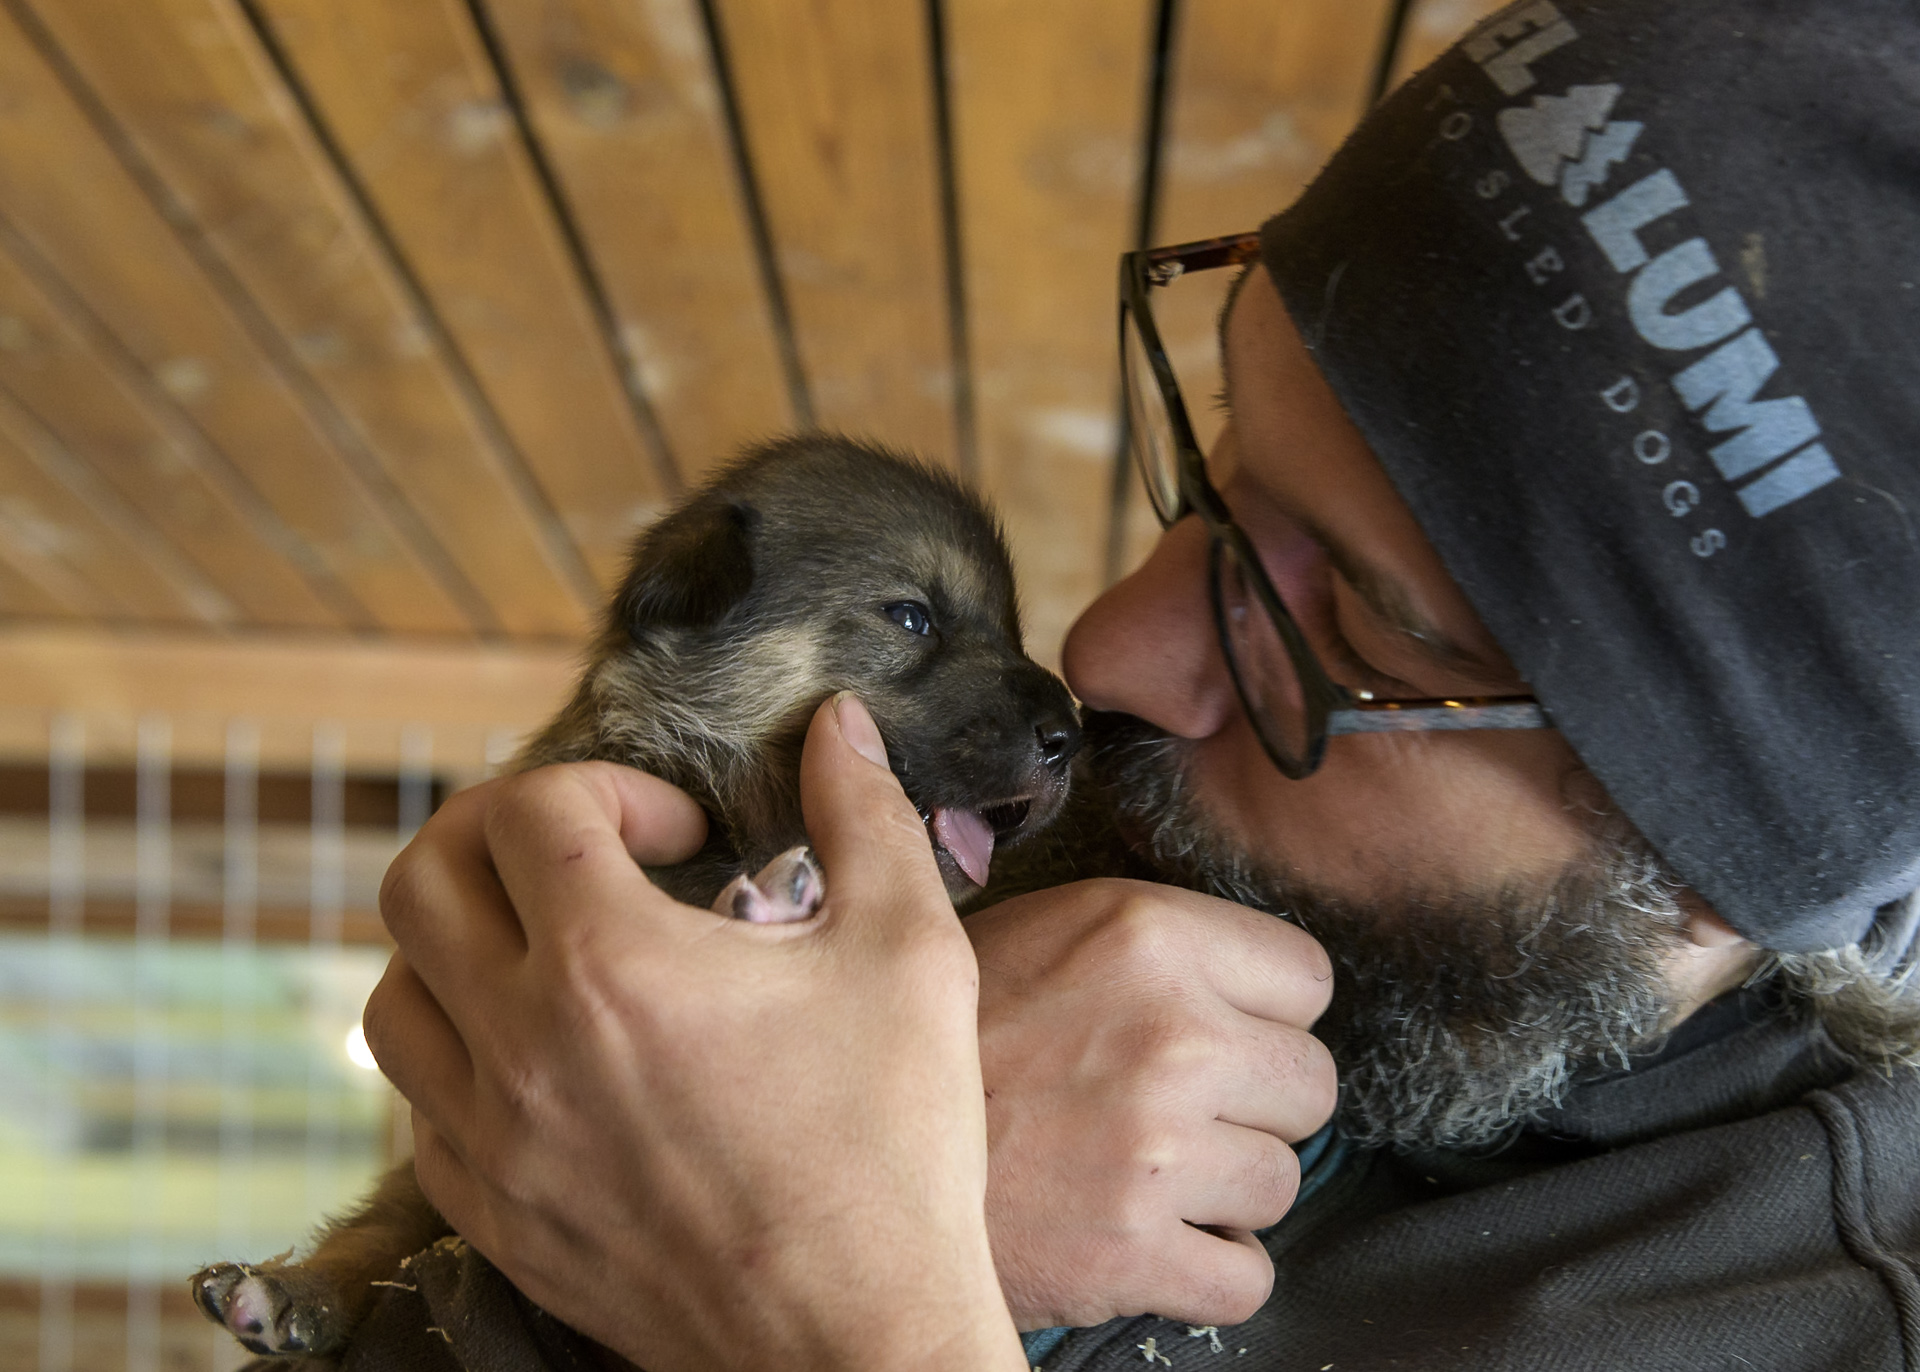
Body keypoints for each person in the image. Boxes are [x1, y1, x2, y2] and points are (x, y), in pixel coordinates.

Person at [359, 1, 1920, 1368]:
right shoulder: (1060, 861)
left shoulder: (1816, 1323)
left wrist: (842, 1305)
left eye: (1363, 624)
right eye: (1216, 467)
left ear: (1730, 848)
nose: (1108, 654)